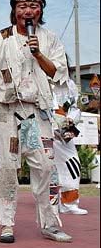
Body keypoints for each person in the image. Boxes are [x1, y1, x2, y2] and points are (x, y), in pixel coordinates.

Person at [0, 0, 72, 243]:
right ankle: (7, 224)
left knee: (46, 166)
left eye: (34, 5)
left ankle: (49, 222)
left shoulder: (50, 39)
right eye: (22, 5)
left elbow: (57, 73)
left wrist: (38, 53)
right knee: (7, 167)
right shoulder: (0, 38)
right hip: (6, 112)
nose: (28, 11)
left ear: (41, 9)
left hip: (38, 112)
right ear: (14, 9)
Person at [48, 69, 88, 215]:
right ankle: (58, 202)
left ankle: (67, 202)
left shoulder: (69, 85)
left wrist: (71, 118)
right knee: (46, 166)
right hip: (44, 125)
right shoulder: (40, 79)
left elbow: (74, 107)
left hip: (63, 129)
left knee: (71, 162)